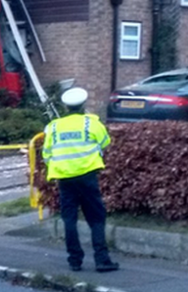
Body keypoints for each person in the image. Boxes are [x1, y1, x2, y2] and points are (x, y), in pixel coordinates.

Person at [42, 87, 119, 273]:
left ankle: (74, 261)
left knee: (69, 219)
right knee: (96, 218)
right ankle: (102, 260)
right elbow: (105, 143)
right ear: (83, 105)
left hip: (64, 178)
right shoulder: (91, 124)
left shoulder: (53, 127)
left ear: (66, 107)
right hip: (87, 176)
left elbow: (46, 154)